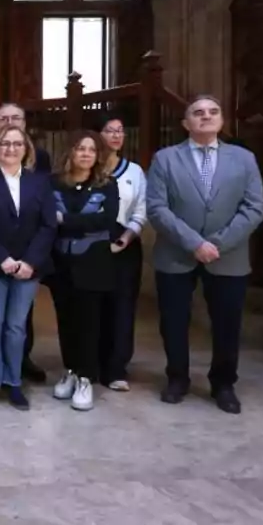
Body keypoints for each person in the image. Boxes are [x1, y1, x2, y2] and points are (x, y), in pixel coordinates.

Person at [147, 95, 263, 414]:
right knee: (173, 321)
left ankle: (223, 383)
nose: (206, 116)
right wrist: (194, 243)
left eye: (213, 112)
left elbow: (255, 208)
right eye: (198, 113)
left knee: (227, 323)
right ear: (186, 123)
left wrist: (218, 243)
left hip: (228, 257)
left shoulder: (244, 159)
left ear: (222, 120)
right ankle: (177, 378)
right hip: (176, 254)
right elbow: (157, 208)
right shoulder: (165, 159)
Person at [0, 125, 56, 412]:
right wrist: (1, 258)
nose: (11, 149)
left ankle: (13, 381)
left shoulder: (40, 182)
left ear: (26, 149)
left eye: (17, 144)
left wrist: (30, 261)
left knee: (16, 327)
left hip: (29, 267)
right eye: (5, 143)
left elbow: (48, 225)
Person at [48, 131, 119, 412]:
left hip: (94, 263)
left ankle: (87, 378)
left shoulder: (107, 185)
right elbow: (47, 219)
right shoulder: (54, 183)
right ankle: (70, 370)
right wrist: (82, 222)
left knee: (89, 324)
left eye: (91, 149)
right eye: (80, 148)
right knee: (66, 321)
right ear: (70, 153)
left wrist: (65, 219)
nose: (86, 154)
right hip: (61, 264)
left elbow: (106, 220)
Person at [98, 115, 147, 392]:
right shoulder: (88, 166)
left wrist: (126, 238)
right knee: (94, 306)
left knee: (122, 307)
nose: (116, 136)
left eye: (120, 131)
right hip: (92, 246)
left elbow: (141, 209)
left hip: (125, 245)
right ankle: (90, 363)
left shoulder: (135, 171)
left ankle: (117, 367)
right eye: (109, 130)